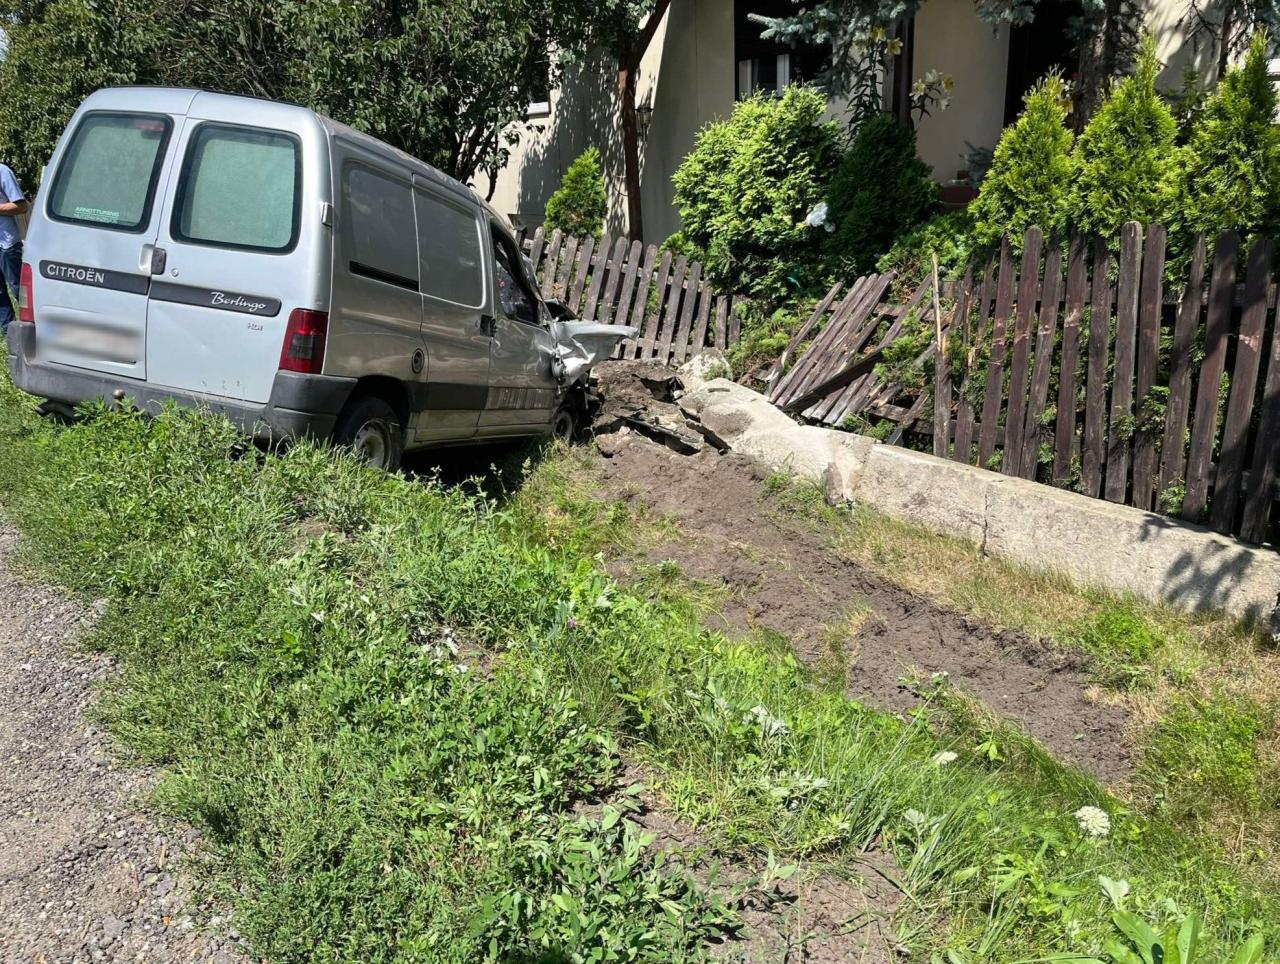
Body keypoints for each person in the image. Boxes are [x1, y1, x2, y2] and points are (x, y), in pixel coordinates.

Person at [0, 160, 30, 337]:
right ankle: (10, 335)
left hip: (7, 243)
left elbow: (22, 206)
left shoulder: (2, 171)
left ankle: (33, 329)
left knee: (19, 289)